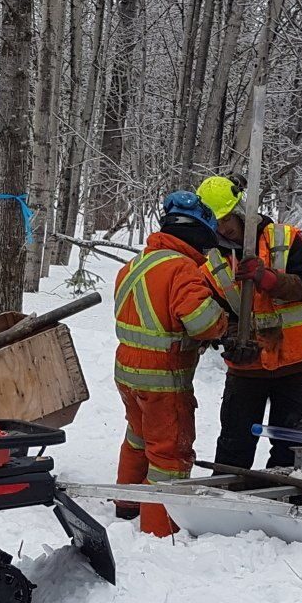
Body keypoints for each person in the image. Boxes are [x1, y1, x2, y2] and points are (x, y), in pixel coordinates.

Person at [114, 192, 229, 537]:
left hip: (128, 374)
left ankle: (126, 503)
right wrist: (223, 321)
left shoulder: (136, 264)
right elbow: (202, 321)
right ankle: (160, 529)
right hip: (163, 379)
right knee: (170, 454)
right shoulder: (181, 269)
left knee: (137, 438)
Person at [196, 174, 302, 468]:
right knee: (234, 449)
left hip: (294, 363)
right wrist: (232, 336)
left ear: (241, 211)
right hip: (247, 369)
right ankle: (229, 505)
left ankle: (282, 505)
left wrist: (268, 278)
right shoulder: (211, 261)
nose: (223, 227)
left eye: (227, 218)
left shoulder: (285, 239)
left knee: (289, 452)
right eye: (216, 221)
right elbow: (217, 312)